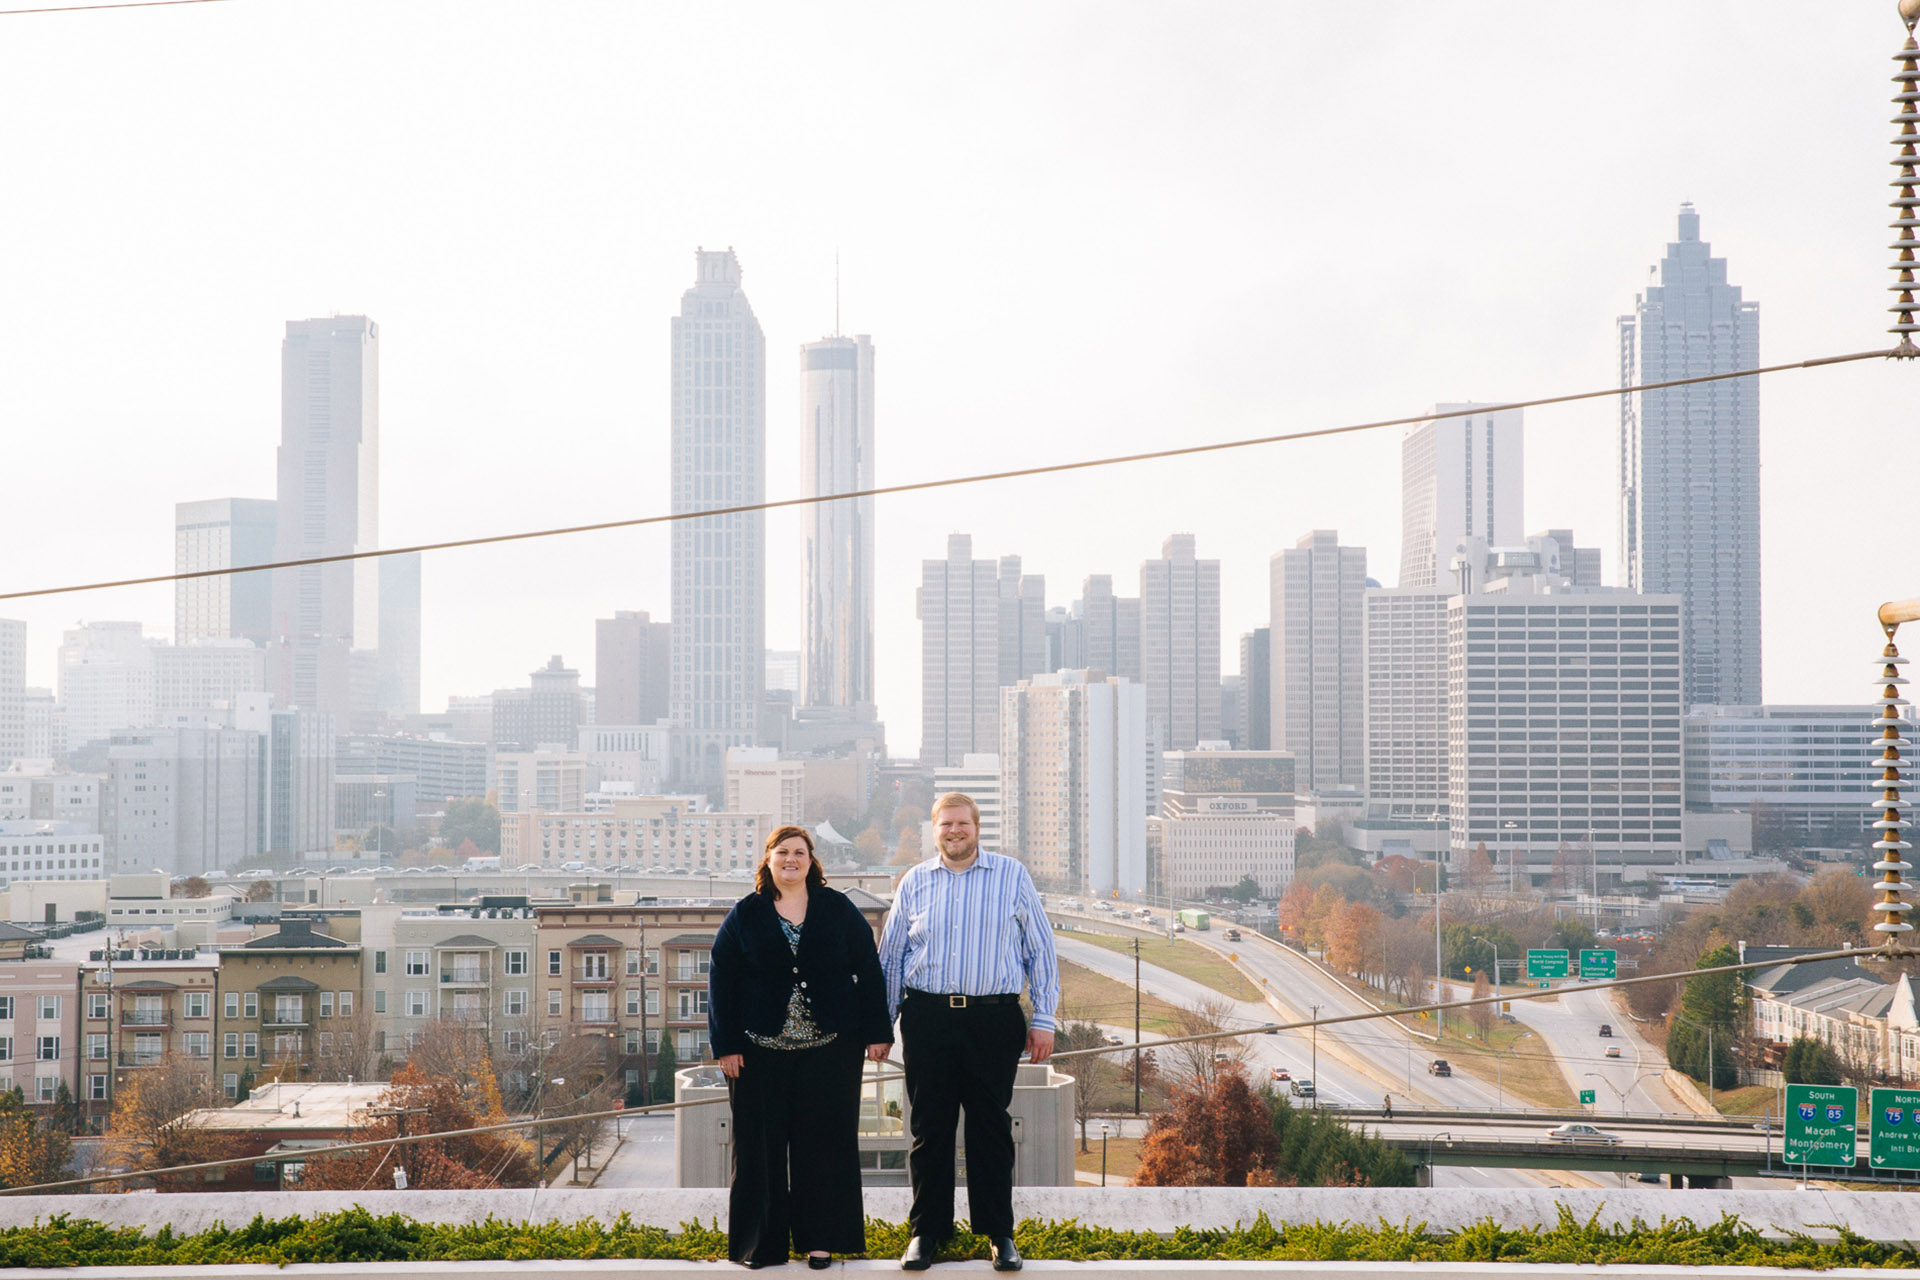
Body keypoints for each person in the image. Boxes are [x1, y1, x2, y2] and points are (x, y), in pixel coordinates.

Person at [878, 793, 1059, 1273]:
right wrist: (881, 1025)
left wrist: (1044, 1019)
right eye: (945, 824)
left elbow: (1041, 950)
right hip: (928, 1019)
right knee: (929, 1130)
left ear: (977, 828)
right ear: (933, 830)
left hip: (993, 1020)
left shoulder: (1012, 876)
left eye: (962, 823)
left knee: (990, 1129)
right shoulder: (914, 881)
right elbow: (891, 957)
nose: (954, 831)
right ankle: (926, 1233)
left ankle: (999, 1233)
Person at [709, 825, 895, 1269]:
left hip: (830, 1050)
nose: (791, 859)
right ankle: (762, 1244)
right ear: (768, 860)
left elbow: (869, 970)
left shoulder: (837, 909)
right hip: (758, 1054)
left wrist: (877, 1031)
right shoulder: (745, 914)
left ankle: (822, 1241)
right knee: (759, 1149)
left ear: (812, 862)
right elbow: (721, 980)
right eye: (783, 852)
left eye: (800, 853)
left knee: (825, 1146)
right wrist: (726, 1045)